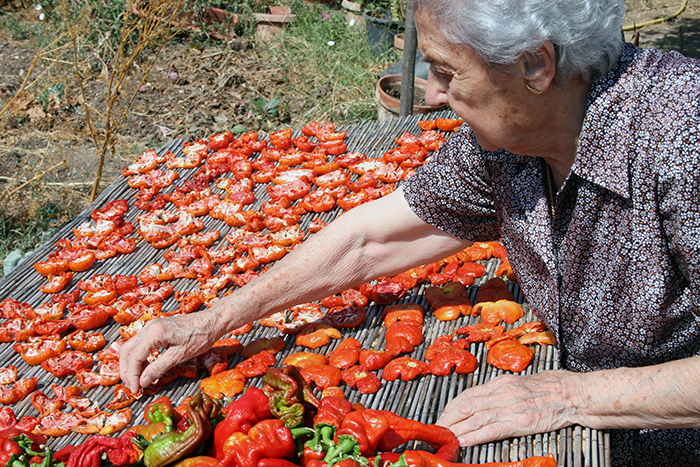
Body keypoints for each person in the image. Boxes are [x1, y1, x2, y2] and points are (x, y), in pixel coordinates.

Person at [120, 0, 700, 465]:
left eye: (446, 72)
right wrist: (212, 320)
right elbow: (370, 239)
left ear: (535, 65)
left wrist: (576, 396)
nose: (429, 95)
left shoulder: (681, 131)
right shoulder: (506, 143)